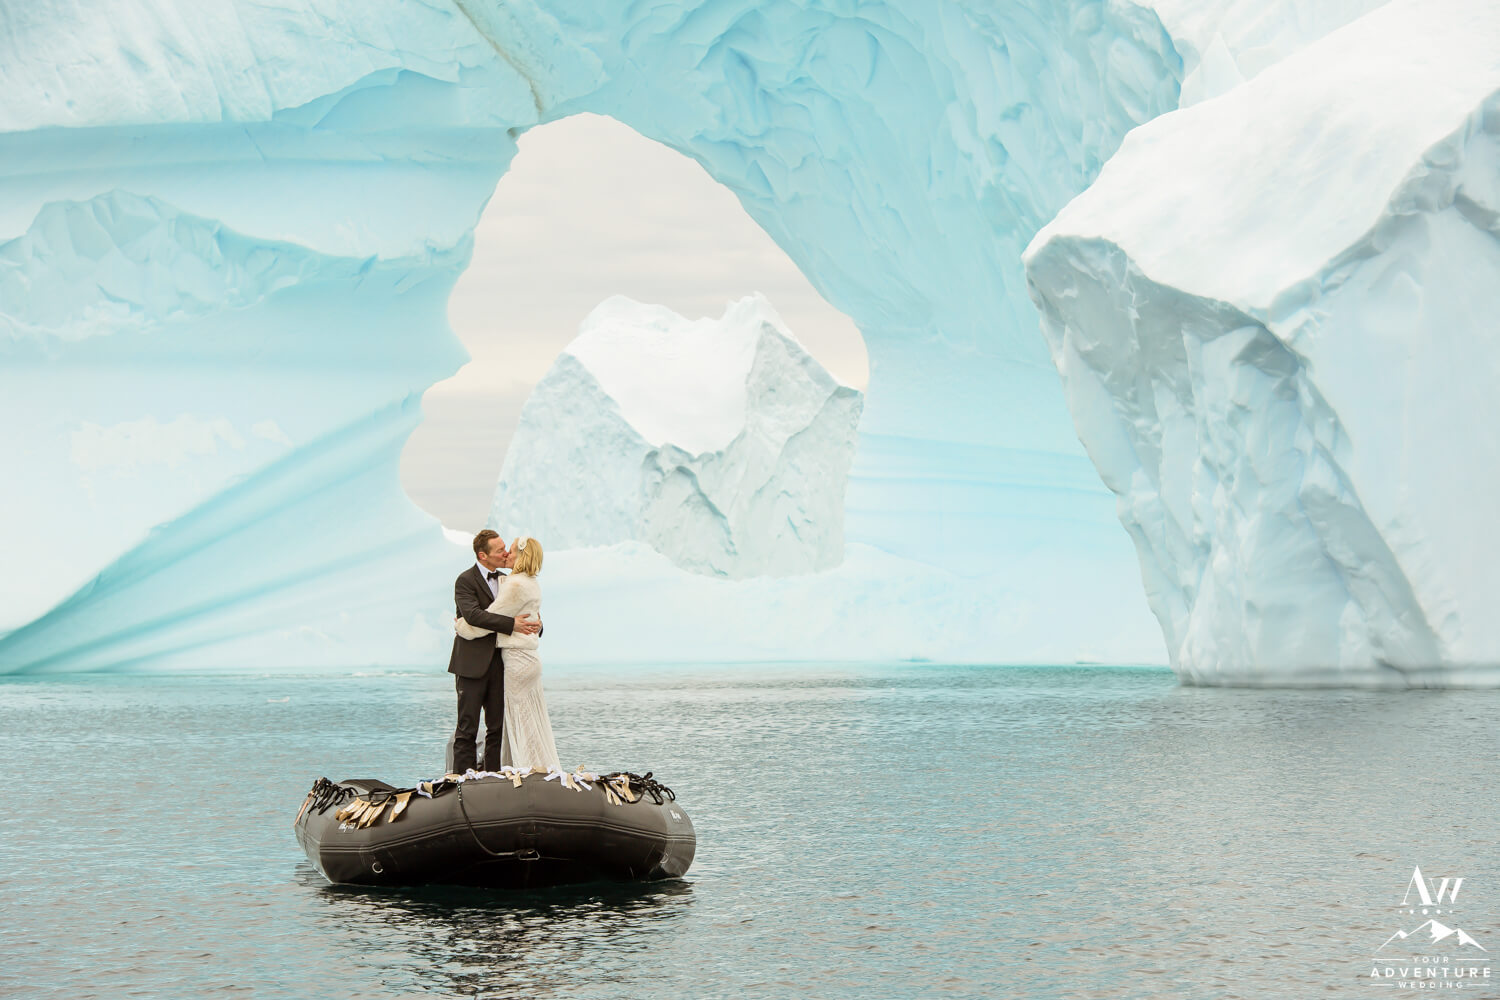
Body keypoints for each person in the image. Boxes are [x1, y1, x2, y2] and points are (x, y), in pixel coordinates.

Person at [454, 535, 560, 771]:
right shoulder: (465, 580)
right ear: (483, 555)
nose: (505, 554)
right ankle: (459, 782)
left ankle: (494, 777)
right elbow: (475, 616)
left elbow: (528, 615)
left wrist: (536, 626)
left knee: (498, 729)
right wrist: (511, 624)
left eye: (507, 549)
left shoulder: (509, 580)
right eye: (500, 550)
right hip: (472, 664)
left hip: (501, 664)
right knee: (467, 727)